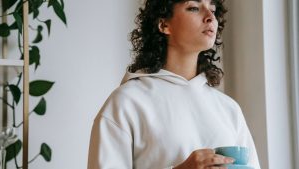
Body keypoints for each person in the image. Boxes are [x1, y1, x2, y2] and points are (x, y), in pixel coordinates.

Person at [88, 0, 261, 169]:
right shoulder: (126, 103)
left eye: (213, 10)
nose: (210, 17)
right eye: (194, 7)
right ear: (164, 24)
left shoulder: (229, 109)